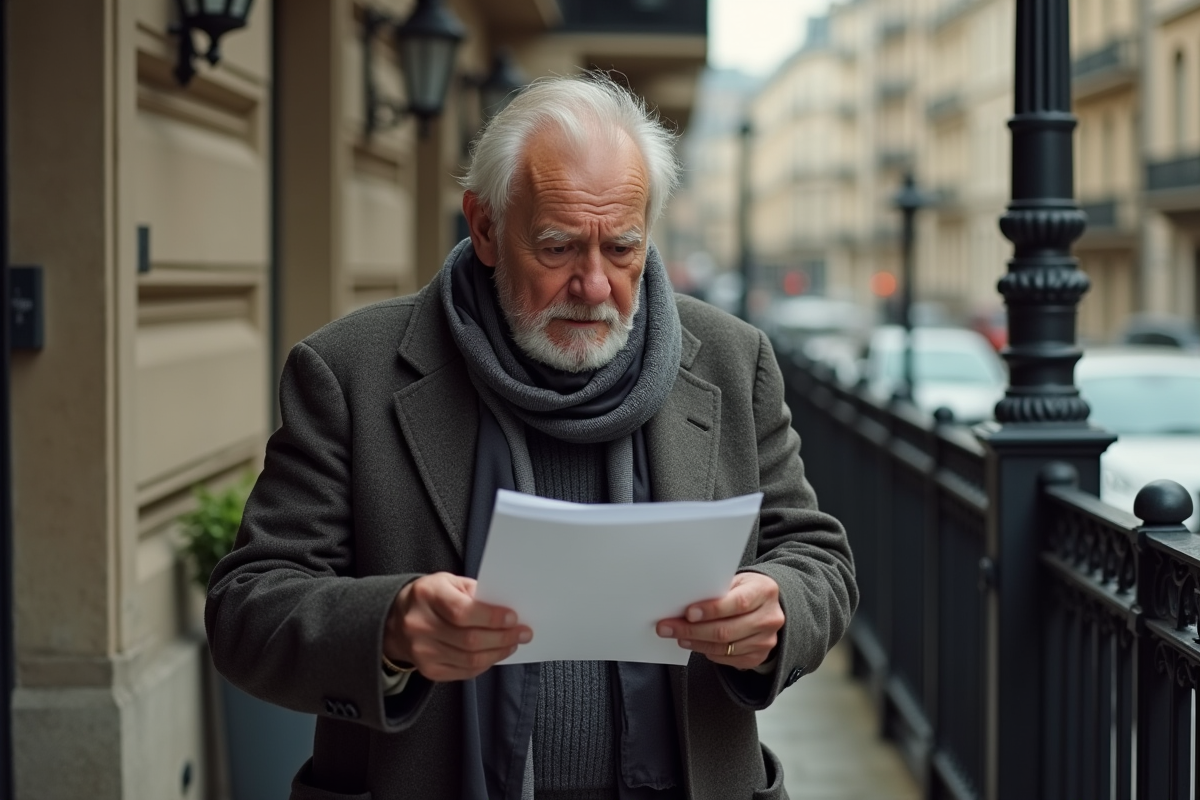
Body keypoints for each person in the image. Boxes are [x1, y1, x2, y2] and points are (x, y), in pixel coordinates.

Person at [206, 74, 857, 800]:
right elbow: (247, 609)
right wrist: (389, 627)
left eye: (621, 248)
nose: (594, 284)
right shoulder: (349, 371)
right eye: (557, 248)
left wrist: (777, 603)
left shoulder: (734, 360)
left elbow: (817, 556)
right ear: (484, 226)